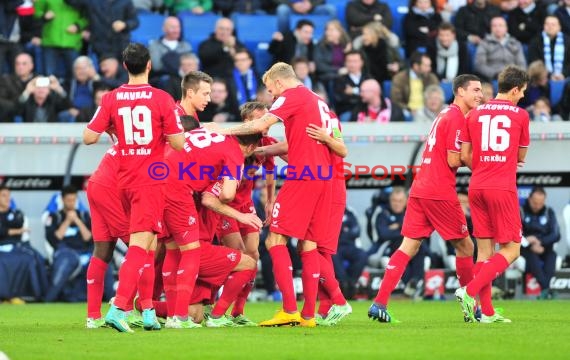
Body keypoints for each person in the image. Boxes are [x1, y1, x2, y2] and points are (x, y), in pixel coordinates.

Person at [217, 62, 337, 328]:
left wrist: (220, 130)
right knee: (308, 243)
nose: (272, 97)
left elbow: (262, 123)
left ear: (280, 82)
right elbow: (333, 142)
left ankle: (289, 309)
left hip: (303, 176)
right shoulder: (320, 102)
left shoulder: (292, 96)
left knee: (274, 240)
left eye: (271, 90)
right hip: (324, 177)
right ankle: (308, 316)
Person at [83, 43, 185, 333]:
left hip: (123, 180)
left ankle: (150, 312)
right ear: (149, 65)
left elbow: (88, 137)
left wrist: (114, 129)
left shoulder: (111, 98)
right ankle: (119, 308)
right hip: (149, 180)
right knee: (140, 247)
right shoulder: (162, 99)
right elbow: (178, 143)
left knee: (148, 245)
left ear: (125, 66)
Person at [368, 74, 482, 323]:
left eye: (481, 90)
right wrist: (480, 159)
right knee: (466, 246)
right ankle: (470, 307)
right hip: (439, 191)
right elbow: (454, 160)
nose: (480, 95)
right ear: (459, 91)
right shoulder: (455, 117)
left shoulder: (444, 114)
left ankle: (379, 303)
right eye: (475, 89)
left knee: (408, 246)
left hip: (421, 188)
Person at [456, 65, 530, 323]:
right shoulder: (520, 115)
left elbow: (465, 155)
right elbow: (521, 156)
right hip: (502, 186)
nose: (522, 97)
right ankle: (469, 291)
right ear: (515, 89)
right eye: (522, 92)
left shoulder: (474, 114)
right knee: (512, 250)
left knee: (485, 253)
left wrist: (485, 165)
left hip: (476, 185)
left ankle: (485, 312)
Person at [44, 185, 93, 302]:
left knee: (101, 262)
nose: (71, 203)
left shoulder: (84, 216)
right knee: (66, 260)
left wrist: (77, 220)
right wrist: (67, 221)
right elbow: (54, 239)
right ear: (63, 200)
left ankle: (111, 301)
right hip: (64, 253)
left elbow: (89, 238)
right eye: (68, 200)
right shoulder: (54, 217)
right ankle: (48, 299)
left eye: (74, 200)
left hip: (84, 253)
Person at [521, 186, 560, 300]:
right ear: (529, 199)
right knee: (532, 257)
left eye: (540, 203)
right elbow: (514, 232)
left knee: (552, 255)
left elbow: (556, 234)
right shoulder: (521, 211)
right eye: (535, 202)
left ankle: (544, 290)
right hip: (526, 249)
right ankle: (546, 289)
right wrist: (528, 242)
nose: (537, 206)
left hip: (544, 247)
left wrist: (541, 242)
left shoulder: (549, 212)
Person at [332, 206, 367, 300]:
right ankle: (343, 285)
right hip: (334, 246)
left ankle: (352, 283)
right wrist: (345, 230)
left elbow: (356, 231)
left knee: (362, 255)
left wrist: (342, 232)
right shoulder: (327, 209)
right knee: (333, 255)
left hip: (349, 245)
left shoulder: (350, 211)